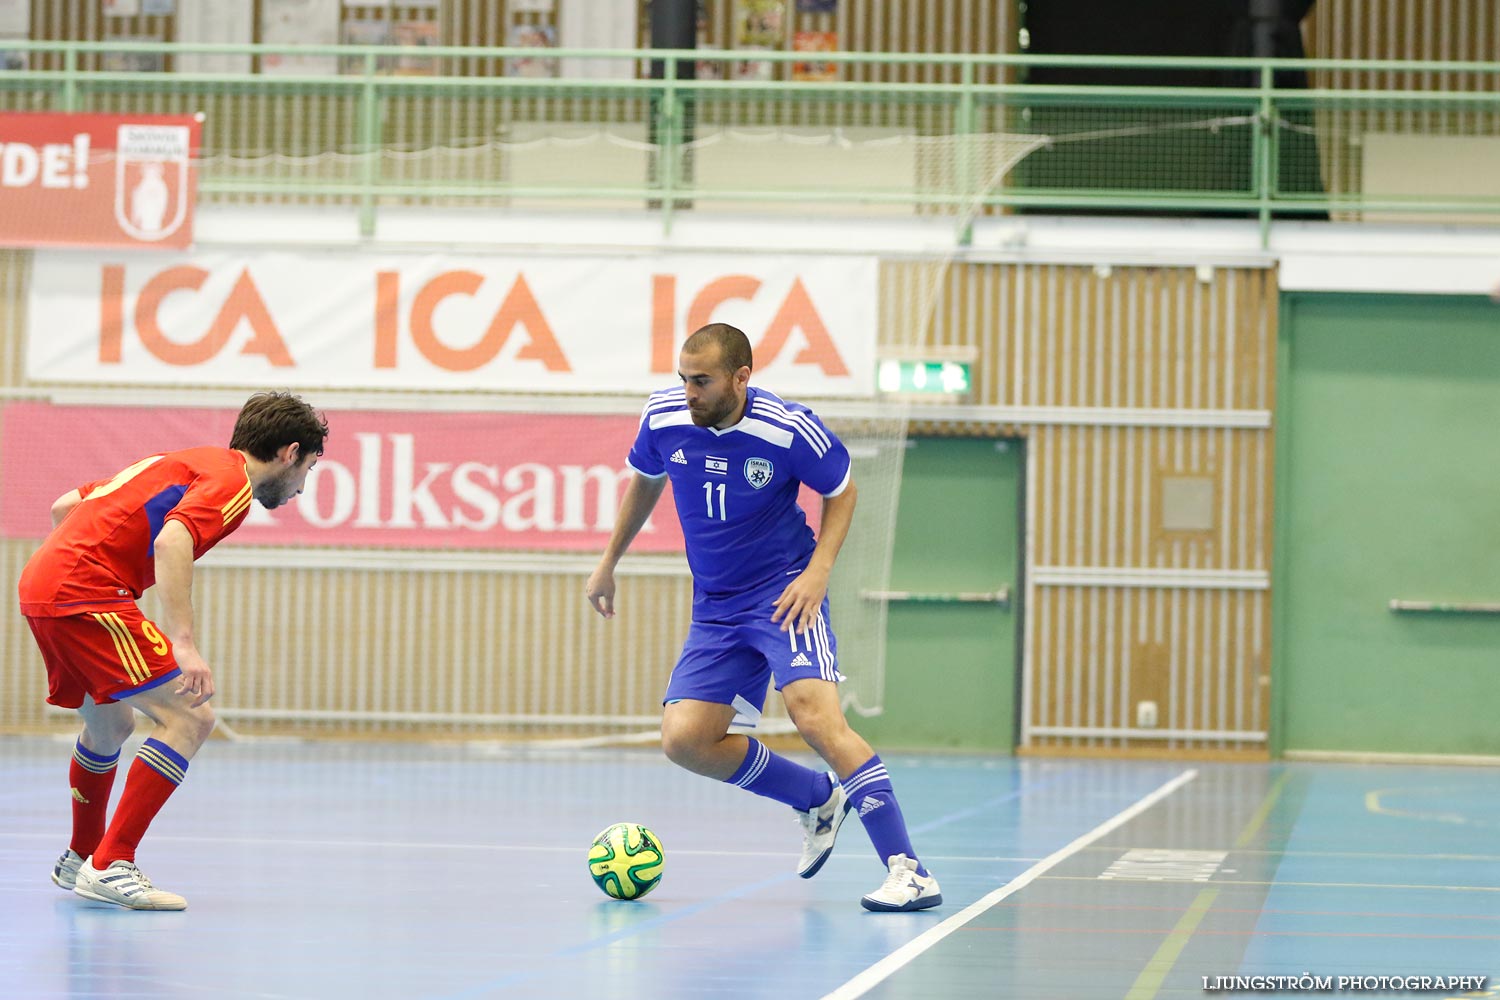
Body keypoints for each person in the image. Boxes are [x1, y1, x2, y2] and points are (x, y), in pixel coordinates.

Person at [587, 323, 941, 912]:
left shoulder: (788, 427)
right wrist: (608, 562)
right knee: (686, 741)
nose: (688, 392)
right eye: (682, 378)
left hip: (784, 594)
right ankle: (816, 799)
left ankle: (909, 870)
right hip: (717, 606)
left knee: (815, 718)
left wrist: (819, 570)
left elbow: (843, 489)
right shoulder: (665, 416)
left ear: (741, 376)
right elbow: (645, 481)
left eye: (701, 381)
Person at [20, 391, 329, 911]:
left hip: (44, 584)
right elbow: (172, 541)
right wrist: (183, 642)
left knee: (110, 726)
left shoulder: (183, 461)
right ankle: (111, 862)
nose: (300, 487)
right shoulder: (233, 483)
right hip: (85, 592)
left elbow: (65, 506)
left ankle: (81, 855)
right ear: (288, 452)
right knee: (191, 717)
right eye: (308, 468)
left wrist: (74, 562)